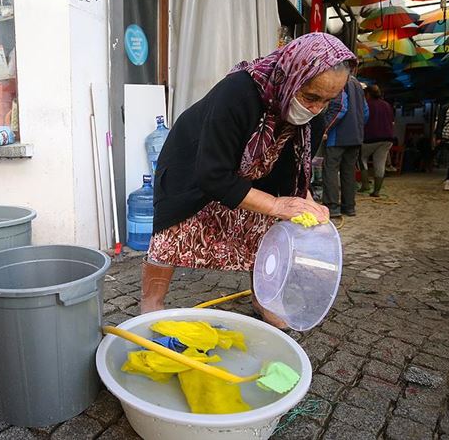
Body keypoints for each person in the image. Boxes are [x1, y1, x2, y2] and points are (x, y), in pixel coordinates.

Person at [140, 33, 356, 327]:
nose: (317, 108)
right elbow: (212, 175)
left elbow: (298, 168)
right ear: (292, 75)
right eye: (310, 97)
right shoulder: (239, 92)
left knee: (263, 231)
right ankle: (151, 301)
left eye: (328, 100)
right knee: (174, 232)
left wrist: (305, 202)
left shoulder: (316, 115)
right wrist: (278, 204)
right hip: (194, 164)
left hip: (257, 171)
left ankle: (263, 297)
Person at [319, 74, 368, 217]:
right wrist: (356, 128)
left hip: (337, 135)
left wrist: (324, 128)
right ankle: (349, 207)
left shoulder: (340, 80)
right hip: (355, 136)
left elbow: (340, 107)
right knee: (348, 171)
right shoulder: (358, 84)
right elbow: (365, 112)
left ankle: (332, 207)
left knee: (330, 170)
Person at [359, 85, 396, 197]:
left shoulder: (366, 104)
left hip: (370, 137)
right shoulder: (387, 105)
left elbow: (362, 120)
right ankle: (377, 191)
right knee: (380, 163)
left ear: (368, 94)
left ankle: (365, 185)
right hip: (387, 138)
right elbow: (392, 121)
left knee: (362, 158)